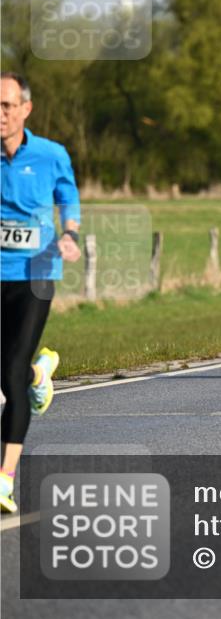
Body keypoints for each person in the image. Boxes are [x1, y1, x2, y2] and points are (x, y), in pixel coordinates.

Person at [1, 72, 81, 513]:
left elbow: (69, 198)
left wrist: (70, 233)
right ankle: (40, 374)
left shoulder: (51, 155)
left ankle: (4, 480)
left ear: (25, 109)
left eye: (6, 106)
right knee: (7, 371)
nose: (0, 114)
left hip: (35, 273)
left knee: (9, 371)